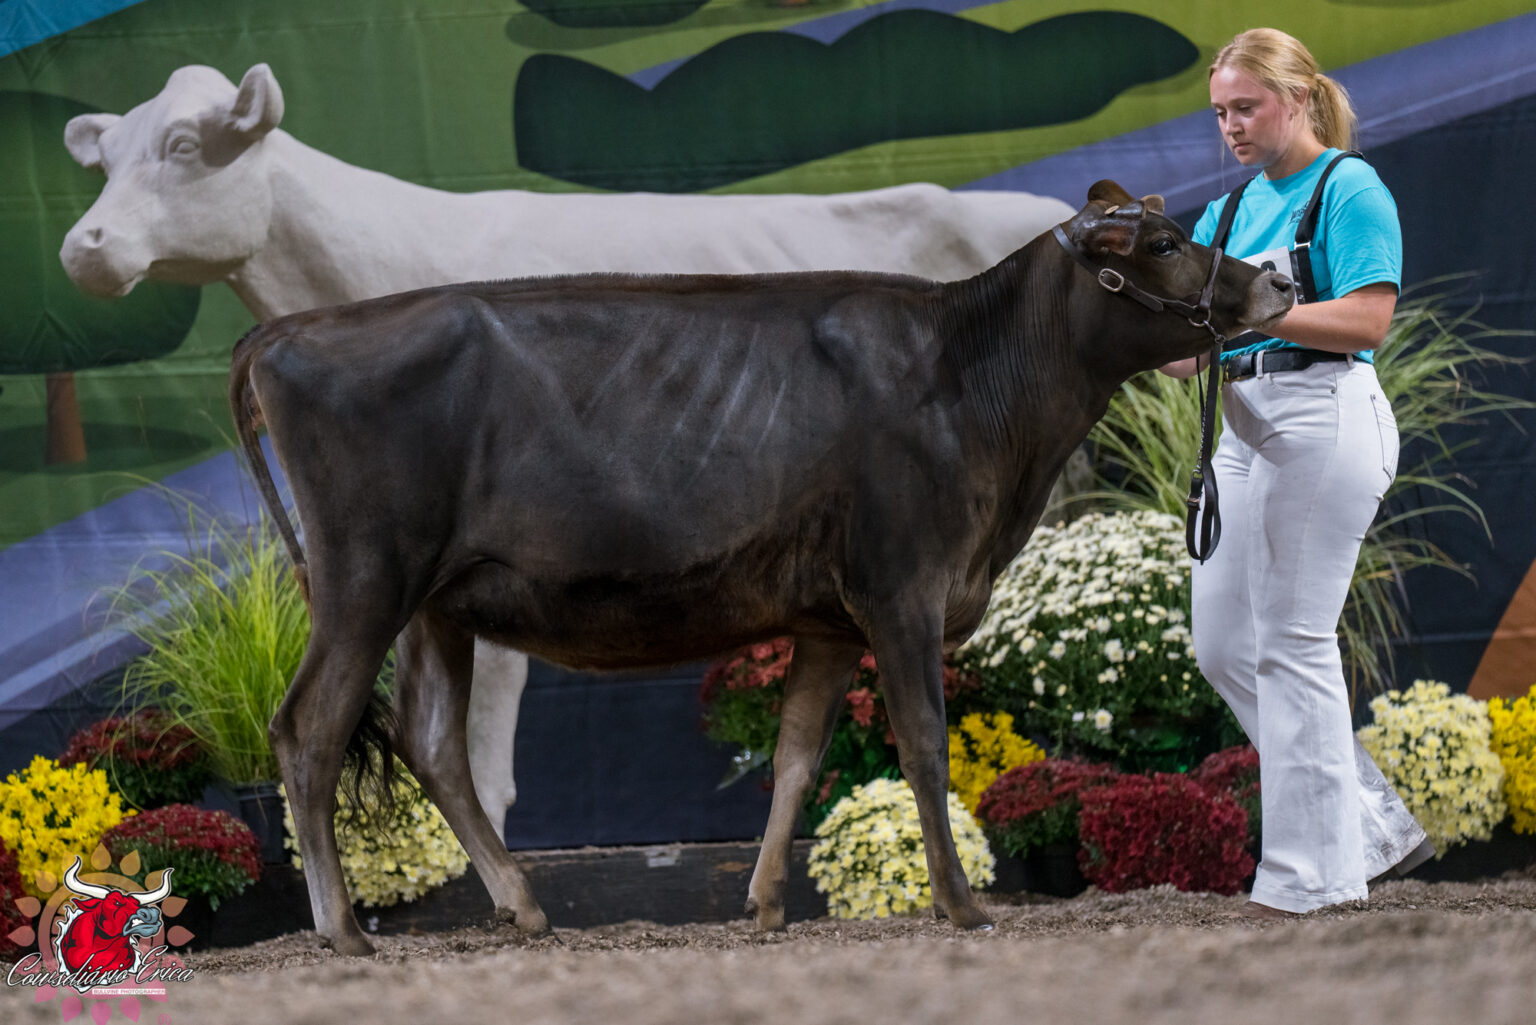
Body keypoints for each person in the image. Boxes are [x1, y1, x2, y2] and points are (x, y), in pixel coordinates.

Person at [1161, 27, 1431, 918]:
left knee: (1291, 639)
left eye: (1246, 107)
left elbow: (1367, 321)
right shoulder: (1226, 213)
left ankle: (1312, 879)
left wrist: (1250, 313)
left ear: (1299, 99)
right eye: (1220, 113)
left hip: (1325, 415)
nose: (1231, 127)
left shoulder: (1348, 186)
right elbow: (1189, 355)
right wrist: (1134, 327)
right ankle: (1365, 818)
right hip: (1243, 427)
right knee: (1224, 645)